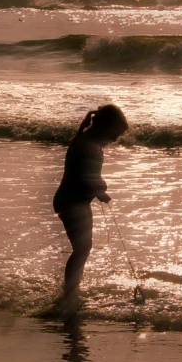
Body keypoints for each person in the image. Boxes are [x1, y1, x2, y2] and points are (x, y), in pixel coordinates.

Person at [53, 104, 128, 308]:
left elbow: (89, 175)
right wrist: (99, 190)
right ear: (105, 127)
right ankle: (69, 294)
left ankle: (72, 290)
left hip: (78, 200)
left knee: (84, 248)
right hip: (70, 200)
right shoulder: (86, 146)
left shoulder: (89, 143)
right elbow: (83, 177)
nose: (114, 139)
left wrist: (99, 187)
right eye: (115, 134)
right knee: (81, 248)